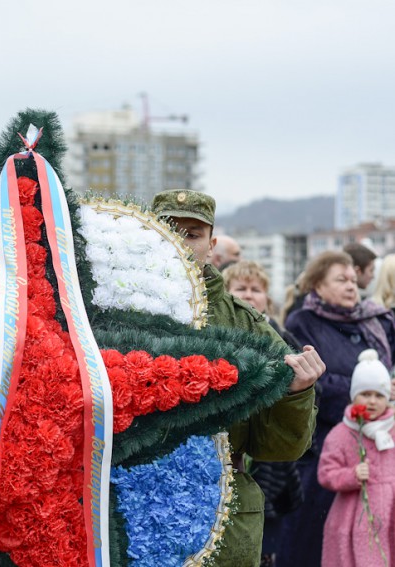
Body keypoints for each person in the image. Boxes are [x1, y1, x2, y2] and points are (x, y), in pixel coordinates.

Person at [150, 189, 324, 567]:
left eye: (193, 234)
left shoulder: (245, 325)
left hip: (223, 511)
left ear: (211, 245)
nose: (180, 242)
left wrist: (296, 393)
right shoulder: (104, 312)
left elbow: (280, 447)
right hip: (132, 506)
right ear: (148, 233)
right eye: (169, 229)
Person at [280, 250, 395, 566]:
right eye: (340, 279)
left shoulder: (376, 319)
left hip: (377, 444)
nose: (350, 286)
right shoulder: (303, 321)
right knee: (316, 538)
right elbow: (312, 379)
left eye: (353, 280)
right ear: (317, 284)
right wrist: (367, 390)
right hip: (326, 443)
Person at [222, 260, 304, 566]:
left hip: (272, 459)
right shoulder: (220, 335)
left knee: (268, 542)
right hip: (237, 451)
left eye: (256, 290)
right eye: (241, 288)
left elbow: (306, 392)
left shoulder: (280, 337)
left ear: (267, 299)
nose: (250, 295)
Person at [318, 349, 395, 567]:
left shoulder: (393, 429)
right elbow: (326, 473)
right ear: (354, 395)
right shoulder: (342, 433)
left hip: (390, 511)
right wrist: (351, 475)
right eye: (366, 394)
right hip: (354, 514)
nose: (372, 401)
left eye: (379, 395)